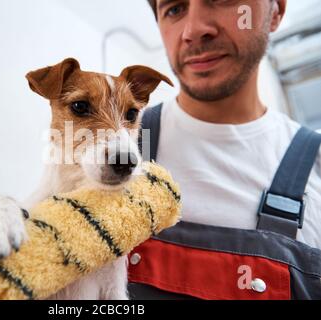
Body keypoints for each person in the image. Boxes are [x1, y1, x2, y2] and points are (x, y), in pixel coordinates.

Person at [128, 0, 321, 299]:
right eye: (175, 9)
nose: (193, 30)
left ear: (276, 12)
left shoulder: (316, 166)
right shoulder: (115, 149)